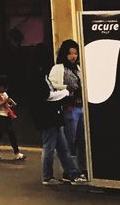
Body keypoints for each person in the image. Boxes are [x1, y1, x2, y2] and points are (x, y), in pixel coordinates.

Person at [34, 53, 84, 185]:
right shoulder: (38, 77)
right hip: (46, 116)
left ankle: (71, 173)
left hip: (53, 115)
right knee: (49, 147)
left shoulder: (44, 76)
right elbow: (46, 95)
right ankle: (47, 177)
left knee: (62, 146)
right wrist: (65, 92)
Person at [55, 39, 85, 168]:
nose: (73, 56)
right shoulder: (60, 69)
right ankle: (69, 169)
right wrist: (68, 90)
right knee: (69, 140)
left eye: (75, 53)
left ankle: (82, 167)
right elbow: (55, 86)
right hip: (69, 107)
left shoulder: (78, 68)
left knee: (82, 140)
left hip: (81, 105)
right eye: (70, 53)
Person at [0, 78, 24, 161]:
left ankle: (16, 153)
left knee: (10, 134)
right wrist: (4, 102)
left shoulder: (5, 94)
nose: (5, 89)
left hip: (6, 116)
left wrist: (11, 103)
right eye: (4, 87)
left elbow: (6, 105)